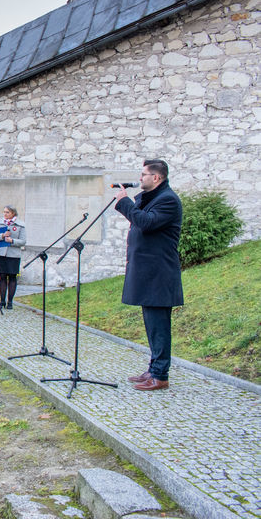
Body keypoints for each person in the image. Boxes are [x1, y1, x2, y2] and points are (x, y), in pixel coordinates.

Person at [114, 159, 183, 392]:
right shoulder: (155, 198)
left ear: (157, 177)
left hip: (159, 274)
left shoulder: (168, 200)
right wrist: (133, 199)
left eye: (144, 174)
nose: (140, 177)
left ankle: (161, 375)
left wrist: (124, 202)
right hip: (147, 273)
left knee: (159, 326)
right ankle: (154, 368)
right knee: (151, 325)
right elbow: (141, 216)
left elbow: (145, 223)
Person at [0, 205, 26, 310]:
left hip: (13, 254)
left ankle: (10, 302)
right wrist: (2, 236)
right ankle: (2, 301)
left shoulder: (20, 225)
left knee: (12, 277)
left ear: (13, 213)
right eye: (4, 212)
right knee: (2, 277)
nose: (5, 214)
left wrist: (12, 241)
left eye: (7, 212)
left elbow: (23, 241)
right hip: (1, 254)